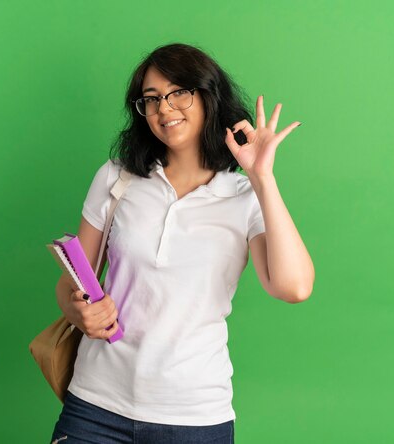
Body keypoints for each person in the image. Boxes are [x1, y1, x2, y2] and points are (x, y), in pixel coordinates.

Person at [50, 42, 315, 443]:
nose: (164, 109)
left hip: (194, 417)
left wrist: (263, 178)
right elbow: (72, 283)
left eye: (179, 93)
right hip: (95, 406)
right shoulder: (117, 177)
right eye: (151, 99)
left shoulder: (245, 198)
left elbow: (293, 287)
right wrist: (77, 311)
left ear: (209, 96)